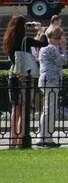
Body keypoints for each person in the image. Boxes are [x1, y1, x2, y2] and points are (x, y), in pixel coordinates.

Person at [4, 15, 40, 148]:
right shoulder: (26, 40)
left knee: (15, 109)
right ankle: (21, 139)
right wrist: (39, 30)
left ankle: (12, 141)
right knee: (24, 110)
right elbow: (43, 43)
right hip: (24, 77)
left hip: (13, 75)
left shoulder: (9, 39)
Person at [35, 26, 67, 148]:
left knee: (47, 108)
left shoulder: (44, 49)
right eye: (59, 38)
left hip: (46, 80)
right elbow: (62, 61)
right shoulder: (52, 49)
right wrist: (63, 49)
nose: (61, 40)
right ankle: (45, 137)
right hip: (51, 81)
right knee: (50, 109)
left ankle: (44, 135)